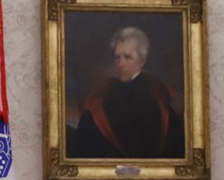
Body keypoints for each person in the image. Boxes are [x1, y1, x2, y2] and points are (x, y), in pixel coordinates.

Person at [70, 26, 185, 159]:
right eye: (117, 57)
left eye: (127, 57)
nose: (120, 64)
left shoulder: (158, 97)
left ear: (141, 61)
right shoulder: (101, 96)